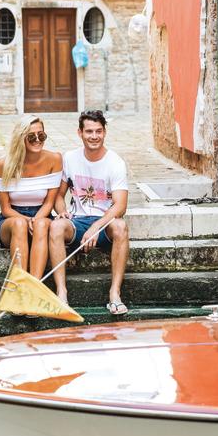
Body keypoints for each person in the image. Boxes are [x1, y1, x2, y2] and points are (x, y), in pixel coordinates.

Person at [48, 110, 130, 315]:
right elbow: (58, 195)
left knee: (121, 226)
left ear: (105, 132)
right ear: (80, 133)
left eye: (99, 131)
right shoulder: (69, 158)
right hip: (78, 222)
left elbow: (120, 206)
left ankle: (115, 294)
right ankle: (62, 294)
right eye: (89, 131)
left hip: (105, 224)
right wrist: (62, 212)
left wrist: (95, 227)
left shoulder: (115, 162)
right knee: (56, 225)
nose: (94, 136)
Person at [0, 116, 62, 279]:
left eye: (42, 135)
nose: (38, 140)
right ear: (21, 138)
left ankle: (34, 286)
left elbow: (49, 203)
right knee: (19, 224)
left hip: (42, 214)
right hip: (11, 219)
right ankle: (21, 283)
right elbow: (6, 209)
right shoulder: (3, 164)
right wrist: (26, 220)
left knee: (40, 224)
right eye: (32, 136)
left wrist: (35, 219)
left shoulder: (55, 159)